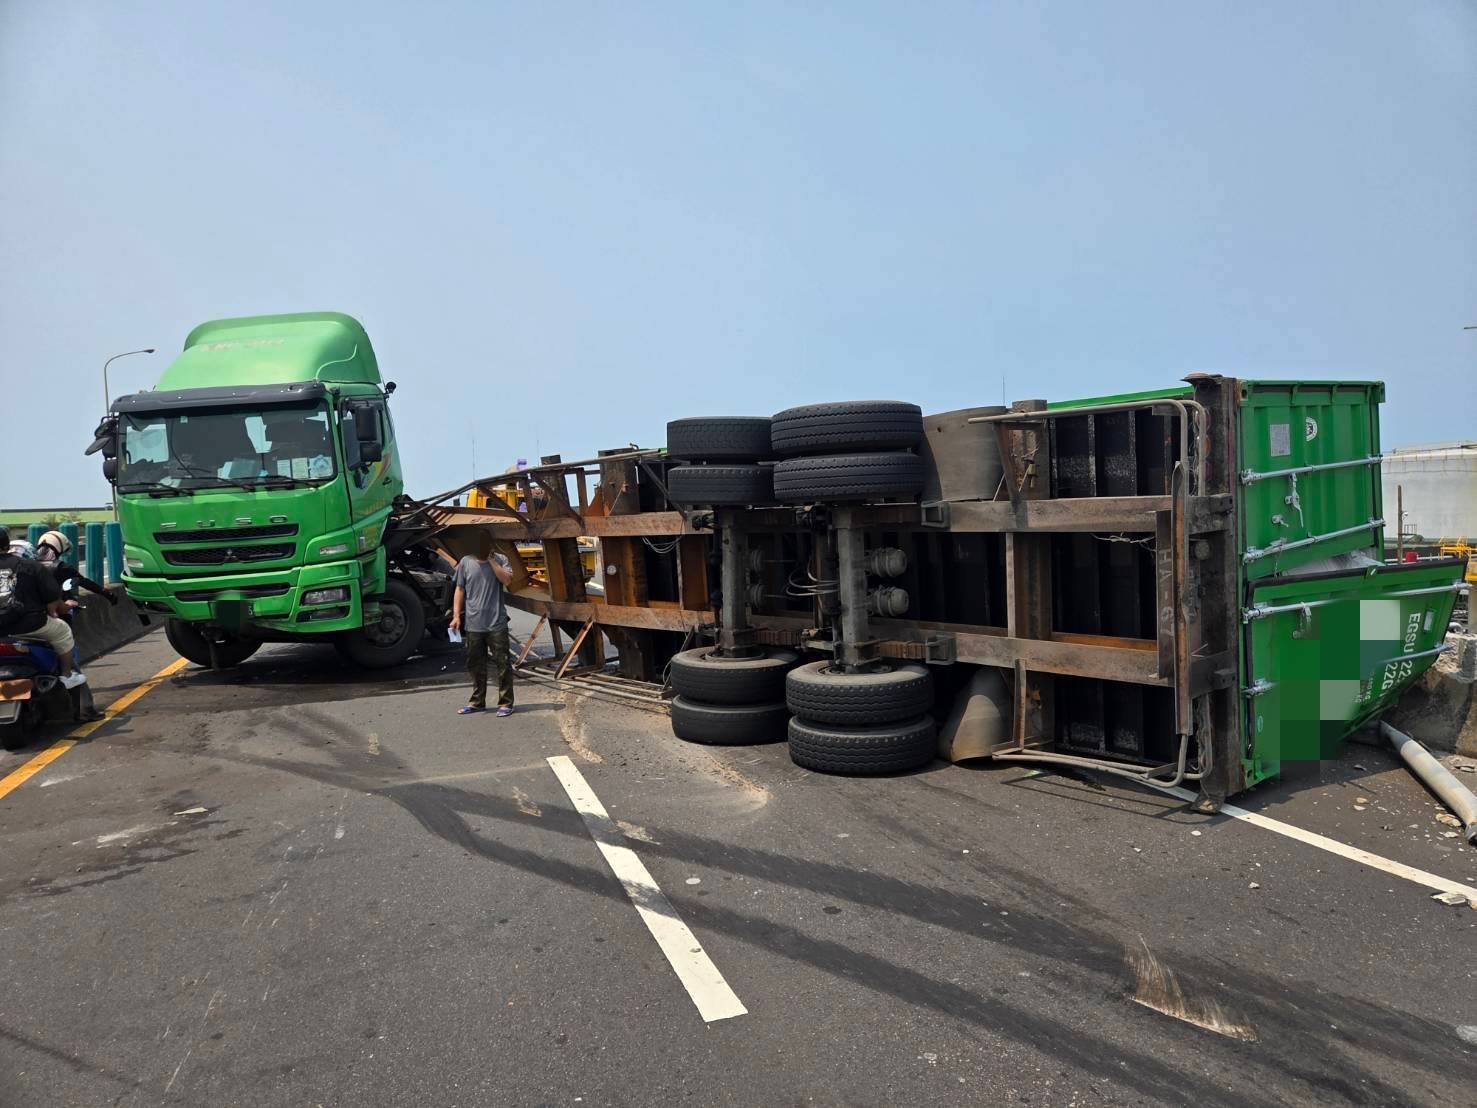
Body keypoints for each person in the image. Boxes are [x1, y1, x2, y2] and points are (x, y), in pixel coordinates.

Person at [0, 527, 87, 688]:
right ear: (7, 545)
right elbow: (53, 598)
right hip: (30, 625)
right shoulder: (32, 566)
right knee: (63, 632)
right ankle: (67, 675)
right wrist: (57, 610)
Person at [449, 531, 515, 716]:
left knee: (502, 664)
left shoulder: (501, 559)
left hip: (496, 623)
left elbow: (507, 580)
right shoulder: (466, 562)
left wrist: (492, 561)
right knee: (475, 664)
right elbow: (460, 589)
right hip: (473, 623)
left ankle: (506, 703)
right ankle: (478, 702)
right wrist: (456, 615)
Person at [35, 531, 116, 612]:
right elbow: (83, 582)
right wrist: (107, 594)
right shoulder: (61, 567)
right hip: (49, 610)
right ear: (58, 547)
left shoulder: (30, 564)